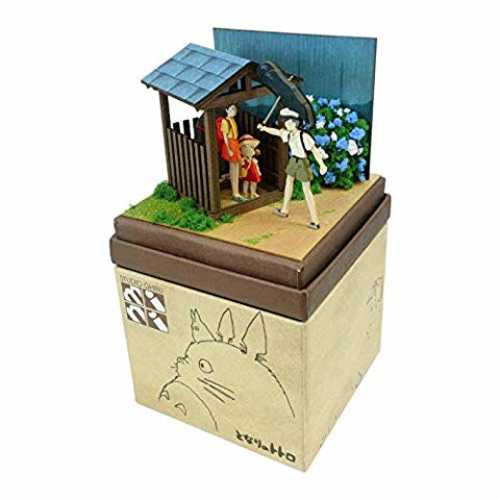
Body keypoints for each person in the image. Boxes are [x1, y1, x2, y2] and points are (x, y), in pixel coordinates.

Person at [257, 108, 327, 230]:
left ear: (296, 123)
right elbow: (276, 132)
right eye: (286, 123)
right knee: (289, 182)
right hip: (293, 160)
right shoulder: (287, 134)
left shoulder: (304, 136)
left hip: (302, 162)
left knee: (306, 190)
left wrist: (322, 165)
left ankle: (315, 220)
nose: (287, 125)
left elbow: (314, 150)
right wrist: (264, 128)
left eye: (290, 123)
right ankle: (284, 210)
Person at [219, 104, 245, 202]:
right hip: (230, 144)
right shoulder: (225, 121)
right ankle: (235, 193)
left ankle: (236, 192)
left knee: (236, 167)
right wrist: (229, 149)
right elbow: (225, 136)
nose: (234, 111)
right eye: (232, 109)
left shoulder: (232, 120)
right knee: (234, 168)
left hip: (234, 143)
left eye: (235, 109)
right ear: (226, 110)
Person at [239, 134, 262, 199]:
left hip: (252, 167)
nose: (248, 149)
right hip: (247, 168)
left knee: (254, 181)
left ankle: (253, 193)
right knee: (246, 181)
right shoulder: (243, 159)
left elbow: (254, 152)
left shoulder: (253, 159)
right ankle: (245, 193)